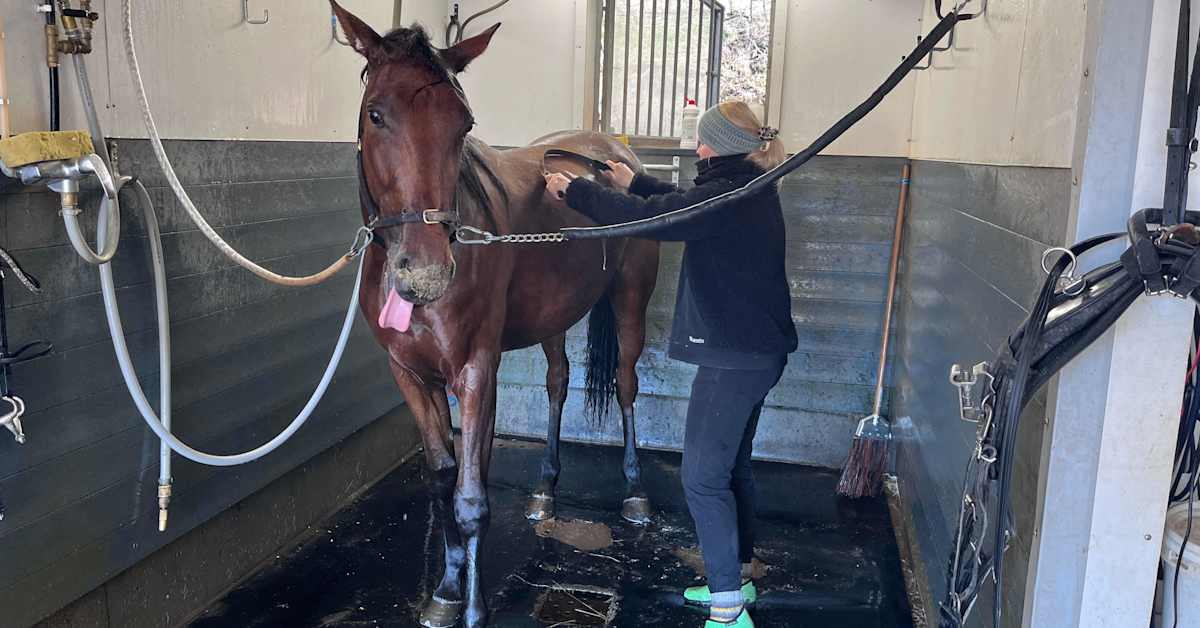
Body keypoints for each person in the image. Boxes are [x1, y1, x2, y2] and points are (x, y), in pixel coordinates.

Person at [545, 101, 798, 628]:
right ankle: (739, 573)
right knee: (733, 468)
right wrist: (636, 179)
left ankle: (728, 610)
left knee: (703, 479)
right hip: (756, 353)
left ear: (713, 146)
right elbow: (683, 202)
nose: (696, 146)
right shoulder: (745, 185)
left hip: (734, 359)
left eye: (702, 139)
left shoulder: (732, 193)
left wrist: (579, 193)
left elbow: (659, 219)